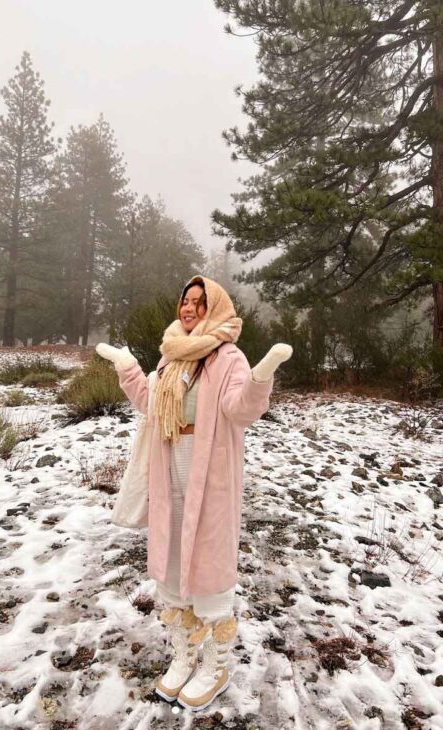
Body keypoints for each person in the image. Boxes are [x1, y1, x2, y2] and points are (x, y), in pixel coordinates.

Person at [96, 274, 292, 712]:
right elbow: (152, 405)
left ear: (216, 309)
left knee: (209, 563)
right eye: (186, 301)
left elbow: (240, 410)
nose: (189, 309)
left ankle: (215, 664)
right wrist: (129, 367)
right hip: (169, 468)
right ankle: (184, 656)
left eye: (200, 304)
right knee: (171, 564)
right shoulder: (170, 356)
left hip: (211, 470)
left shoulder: (228, 358)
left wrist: (261, 377)